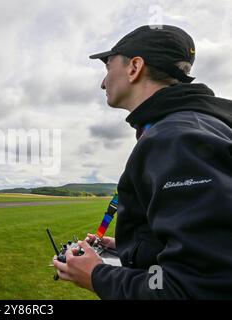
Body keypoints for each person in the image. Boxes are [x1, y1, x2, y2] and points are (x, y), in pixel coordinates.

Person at [53, 25, 232, 299]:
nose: (103, 83)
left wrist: (97, 275)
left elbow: (196, 288)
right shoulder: (199, 125)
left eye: (108, 66)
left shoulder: (175, 139)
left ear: (135, 67)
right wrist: (134, 248)